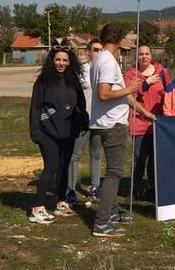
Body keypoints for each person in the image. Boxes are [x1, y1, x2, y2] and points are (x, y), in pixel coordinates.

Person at [89, 23, 141, 238]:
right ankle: (101, 224)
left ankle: (110, 212)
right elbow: (104, 93)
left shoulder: (99, 59)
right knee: (115, 173)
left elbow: (118, 93)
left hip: (103, 123)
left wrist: (142, 111)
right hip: (113, 125)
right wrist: (130, 88)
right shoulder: (109, 61)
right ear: (119, 41)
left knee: (111, 171)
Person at [28, 47, 88, 224]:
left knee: (64, 167)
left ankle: (61, 203)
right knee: (51, 167)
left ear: (70, 62)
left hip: (68, 132)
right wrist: (35, 131)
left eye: (65, 60)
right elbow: (35, 108)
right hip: (48, 133)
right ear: (52, 61)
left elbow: (81, 105)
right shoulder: (43, 81)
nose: (61, 63)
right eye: (58, 60)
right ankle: (37, 209)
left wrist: (83, 120)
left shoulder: (73, 80)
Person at [124, 44, 169, 200]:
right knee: (139, 157)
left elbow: (169, 93)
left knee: (155, 159)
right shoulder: (131, 74)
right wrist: (146, 82)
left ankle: (153, 187)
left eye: (147, 53)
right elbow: (128, 94)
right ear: (136, 57)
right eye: (141, 54)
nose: (144, 56)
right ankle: (134, 188)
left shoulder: (162, 72)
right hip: (140, 122)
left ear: (151, 55)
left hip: (158, 122)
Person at [67, 39, 103, 204]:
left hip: (100, 121)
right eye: (95, 49)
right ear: (88, 52)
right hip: (83, 120)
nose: (98, 52)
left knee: (96, 155)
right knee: (75, 155)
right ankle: (71, 190)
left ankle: (95, 188)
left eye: (101, 50)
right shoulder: (81, 71)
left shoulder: (106, 71)